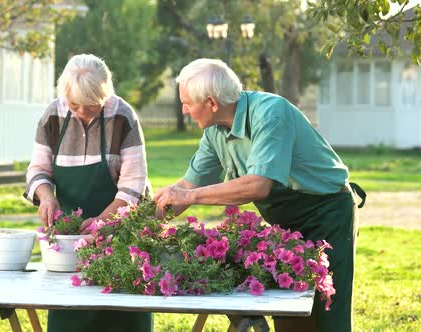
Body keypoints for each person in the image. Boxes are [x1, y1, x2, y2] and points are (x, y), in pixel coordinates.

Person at [153, 58, 365, 332]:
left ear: (212, 103)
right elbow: (187, 187)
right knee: (288, 310)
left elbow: (257, 186)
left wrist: (187, 197)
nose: (183, 110)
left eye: (187, 103)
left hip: (327, 214)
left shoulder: (270, 112)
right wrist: (137, 221)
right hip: (287, 223)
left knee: (326, 311)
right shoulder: (215, 131)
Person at [24, 54, 152, 332]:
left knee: (122, 315)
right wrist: (46, 195)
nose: (81, 111)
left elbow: (133, 186)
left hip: (123, 234)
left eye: (91, 106)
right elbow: (37, 170)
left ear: (105, 94)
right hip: (72, 240)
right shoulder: (52, 116)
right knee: (71, 313)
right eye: (74, 105)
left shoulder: (123, 116)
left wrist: (103, 222)